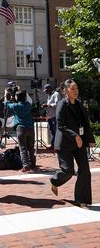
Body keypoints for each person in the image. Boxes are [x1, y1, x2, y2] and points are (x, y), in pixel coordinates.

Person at [50, 79, 95, 208]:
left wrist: (89, 139)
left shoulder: (79, 104)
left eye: (77, 88)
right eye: (73, 88)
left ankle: (81, 199)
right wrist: (75, 136)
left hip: (79, 143)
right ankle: (54, 180)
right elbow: (60, 125)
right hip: (65, 143)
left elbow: (85, 122)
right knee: (68, 171)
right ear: (66, 90)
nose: (76, 91)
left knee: (85, 170)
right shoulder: (62, 104)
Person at [4, 89, 35, 172]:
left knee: (23, 148)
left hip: (21, 128)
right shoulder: (28, 104)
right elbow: (26, 100)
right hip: (31, 128)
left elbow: (6, 104)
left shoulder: (15, 106)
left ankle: (26, 166)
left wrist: (6, 95)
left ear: (17, 97)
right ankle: (33, 165)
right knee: (31, 148)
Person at [41, 84, 62, 150]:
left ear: (50, 88)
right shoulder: (49, 95)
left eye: (47, 90)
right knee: (52, 131)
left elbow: (58, 104)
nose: (46, 92)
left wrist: (48, 105)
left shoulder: (56, 94)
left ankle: (57, 145)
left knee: (55, 131)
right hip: (50, 117)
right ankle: (53, 145)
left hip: (55, 116)